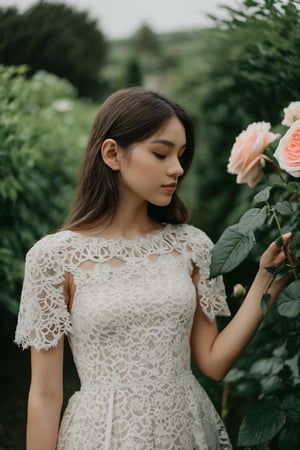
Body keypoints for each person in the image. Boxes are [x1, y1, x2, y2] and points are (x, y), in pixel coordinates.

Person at [15, 87, 291, 450]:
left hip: (187, 429)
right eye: (161, 153)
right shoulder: (53, 258)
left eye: (180, 155)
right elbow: (46, 395)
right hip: (101, 435)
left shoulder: (192, 245)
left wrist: (266, 280)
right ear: (112, 153)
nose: (177, 168)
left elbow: (213, 363)